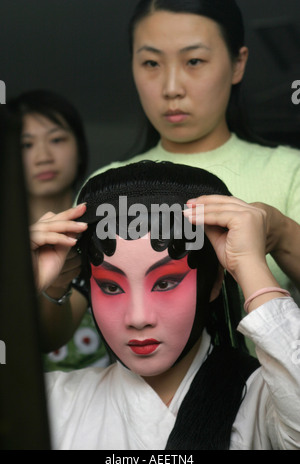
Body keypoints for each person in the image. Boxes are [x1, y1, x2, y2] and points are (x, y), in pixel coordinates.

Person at [30, 161, 300, 450]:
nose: (138, 318)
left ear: (213, 282)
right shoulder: (51, 403)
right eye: (110, 286)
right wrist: (20, 281)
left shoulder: (265, 400)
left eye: (165, 283)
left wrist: (249, 263)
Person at [87, 0, 300, 298]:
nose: (171, 87)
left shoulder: (291, 172)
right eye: (151, 63)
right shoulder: (105, 188)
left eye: (194, 61)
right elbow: (59, 330)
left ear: (238, 63)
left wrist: (281, 232)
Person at [8, 89, 109, 371]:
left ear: (79, 147)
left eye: (56, 139)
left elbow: (51, 336)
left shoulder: (105, 228)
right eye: (25, 145)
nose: (43, 156)